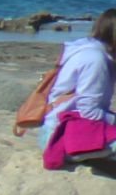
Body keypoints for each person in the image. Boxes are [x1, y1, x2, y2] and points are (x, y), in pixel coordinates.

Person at [40, 9, 116, 168]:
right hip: (62, 135)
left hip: (57, 128)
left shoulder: (85, 49)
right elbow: (89, 111)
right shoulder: (96, 60)